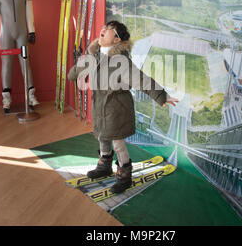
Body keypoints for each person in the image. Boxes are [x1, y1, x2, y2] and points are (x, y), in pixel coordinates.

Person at [68, 21, 178, 194]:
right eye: (104, 27)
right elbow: (72, 75)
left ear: (117, 40)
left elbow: (141, 79)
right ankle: (105, 166)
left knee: (118, 143)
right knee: (102, 137)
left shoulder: (121, 63)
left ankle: (124, 175)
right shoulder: (95, 57)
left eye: (110, 29)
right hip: (99, 108)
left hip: (117, 109)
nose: (103, 29)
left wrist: (161, 95)